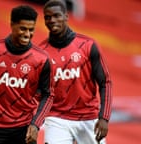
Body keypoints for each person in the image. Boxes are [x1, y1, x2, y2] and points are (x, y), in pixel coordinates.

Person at [0, 5, 53, 144]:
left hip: (24, 129)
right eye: (23, 29)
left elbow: (48, 94)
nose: (27, 34)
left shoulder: (41, 59)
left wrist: (35, 124)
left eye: (31, 30)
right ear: (12, 25)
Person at [39, 0, 112, 144]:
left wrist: (104, 117)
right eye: (47, 17)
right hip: (57, 118)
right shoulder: (41, 52)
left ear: (66, 16)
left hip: (89, 117)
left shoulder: (88, 45)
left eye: (56, 16)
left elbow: (105, 82)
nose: (52, 20)